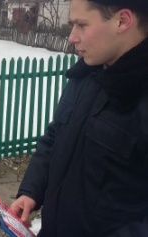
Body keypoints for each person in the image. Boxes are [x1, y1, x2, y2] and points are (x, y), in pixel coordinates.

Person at [10, 0, 148, 236]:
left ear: (122, 21)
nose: (72, 37)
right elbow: (55, 137)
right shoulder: (86, 73)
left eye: (81, 25)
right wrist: (32, 190)